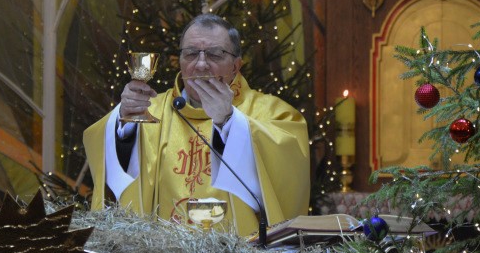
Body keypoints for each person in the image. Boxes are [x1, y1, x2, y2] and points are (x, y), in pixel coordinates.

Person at [83, 13, 310, 237]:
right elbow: (108, 158)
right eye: (191, 54)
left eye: (215, 54)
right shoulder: (150, 110)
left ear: (236, 66)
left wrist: (230, 122)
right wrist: (124, 118)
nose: (201, 65)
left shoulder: (271, 112)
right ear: (180, 61)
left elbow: (290, 168)